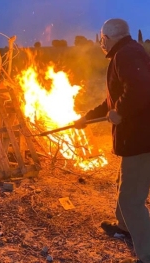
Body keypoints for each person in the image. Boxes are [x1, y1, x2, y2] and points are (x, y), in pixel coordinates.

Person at [75, 18, 150, 263]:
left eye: (102, 39)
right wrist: (87, 117)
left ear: (108, 38)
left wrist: (121, 112)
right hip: (135, 138)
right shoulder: (126, 52)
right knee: (123, 183)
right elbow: (113, 100)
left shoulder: (127, 55)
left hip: (141, 139)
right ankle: (124, 226)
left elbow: (140, 89)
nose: (100, 43)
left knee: (131, 200)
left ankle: (147, 253)